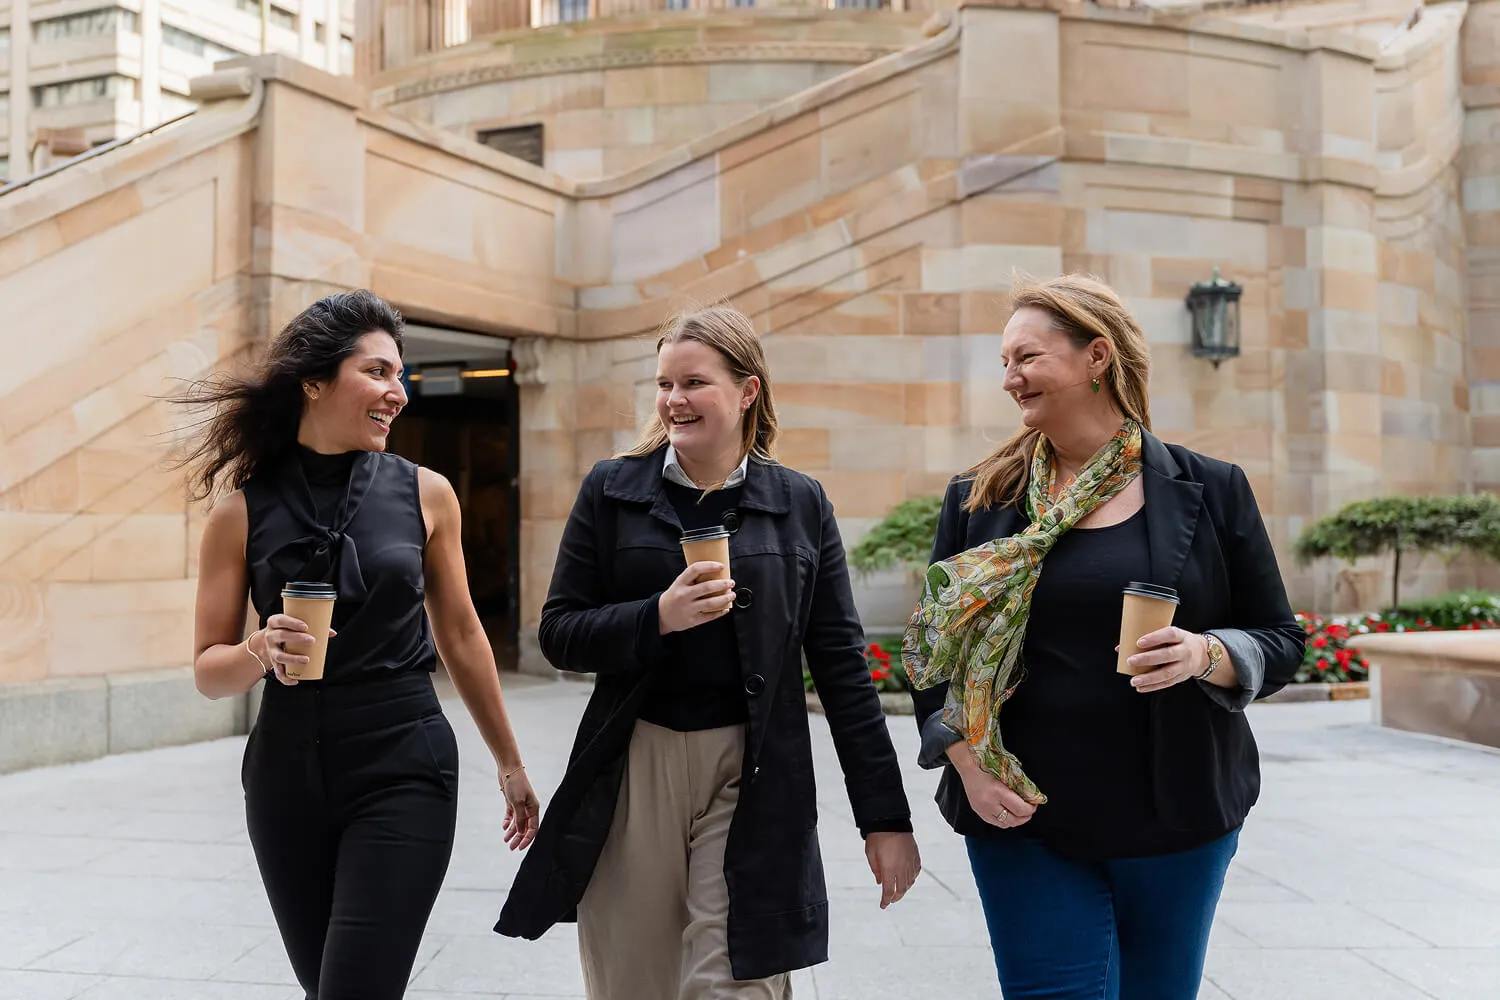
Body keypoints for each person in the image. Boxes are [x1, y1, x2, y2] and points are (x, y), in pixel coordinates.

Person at [495, 304, 922, 998]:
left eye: (693, 383)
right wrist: (655, 617)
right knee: (634, 982)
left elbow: (843, 668)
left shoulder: (801, 503)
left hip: (751, 770)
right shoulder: (612, 490)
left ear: (748, 390)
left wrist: (886, 819)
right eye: (664, 384)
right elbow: (560, 632)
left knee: (731, 981)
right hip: (636, 763)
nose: (673, 400)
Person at [904, 274, 1304, 999]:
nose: (1010, 379)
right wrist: (965, 759)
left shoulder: (1211, 488)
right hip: (1021, 814)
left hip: (1176, 815)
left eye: (1026, 357)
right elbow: (934, 657)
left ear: (1097, 357)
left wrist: (1205, 653)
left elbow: (1280, 638)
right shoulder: (977, 499)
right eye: (1004, 362)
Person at [181, 290, 541, 1000]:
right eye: (377, 372)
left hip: (403, 763)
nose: (396, 392)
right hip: (287, 776)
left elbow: (464, 633)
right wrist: (258, 651)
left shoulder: (428, 494)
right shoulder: (239, 512)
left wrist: (510, 763)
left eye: (400, 376)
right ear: (315, 381)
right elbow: (207, 672)